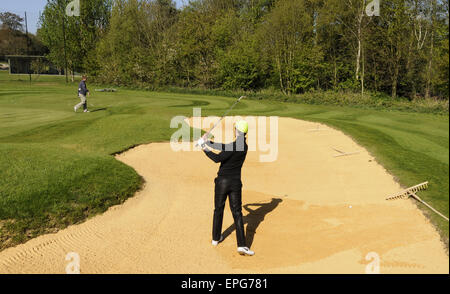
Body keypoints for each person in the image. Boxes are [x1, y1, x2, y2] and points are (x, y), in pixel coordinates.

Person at [197, 120, 254, 256]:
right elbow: (224, 147)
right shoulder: (243, 146)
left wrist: (204, 148)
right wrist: (208, 142)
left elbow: (217, 158)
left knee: (218, 210)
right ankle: (241, 245)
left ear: (237, 131)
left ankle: (216, 238)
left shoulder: (233, 146)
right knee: (237, 213)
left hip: (222, 182)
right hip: (235, 183)